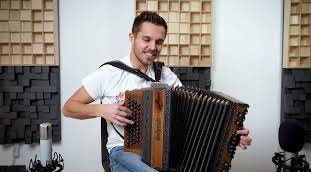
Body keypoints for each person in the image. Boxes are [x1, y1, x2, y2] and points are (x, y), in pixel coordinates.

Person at [63, 11, 252, 172]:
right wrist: (102, 110)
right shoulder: (110, 73)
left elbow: (194, 116)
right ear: (132, 37)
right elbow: (69, 108)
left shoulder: (166, 75)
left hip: (164, 150)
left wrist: (230, 134)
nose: (153, 47)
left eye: (159, 41)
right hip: (123, 151)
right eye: (146, 39)